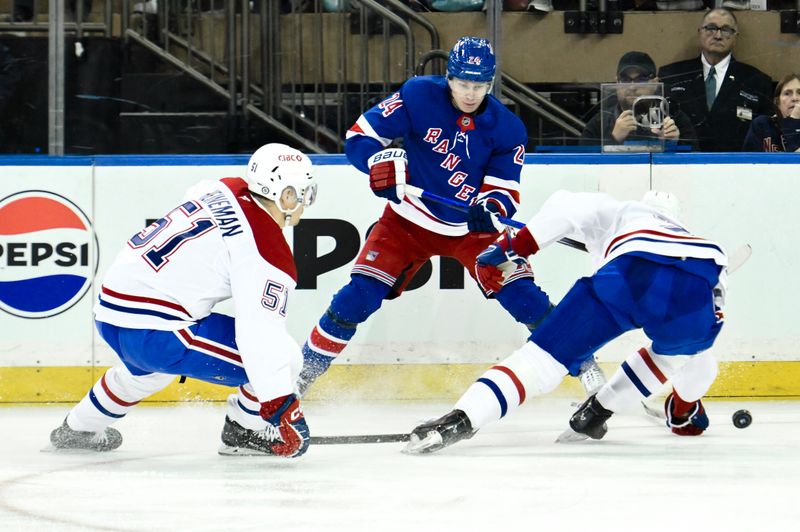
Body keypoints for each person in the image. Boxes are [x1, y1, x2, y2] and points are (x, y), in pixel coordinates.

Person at [297, 36, 606, 397]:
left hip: (471, 233)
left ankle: (585, 364)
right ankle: (301, 375)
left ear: (490, 83)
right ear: (449, 77)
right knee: (357, 297)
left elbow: (504, 191)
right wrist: (376, 164)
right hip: (406, 221)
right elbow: (359, 137)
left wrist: (490, 208)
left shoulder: (507, 128)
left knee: (525, 298)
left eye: (479, 85)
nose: (471, 93)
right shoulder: (417, 96)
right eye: (463, 83)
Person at [405, 189, 728, 453]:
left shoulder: (620, 209)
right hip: (697, 282)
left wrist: (514, 247)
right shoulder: (704, 245)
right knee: (682, 356)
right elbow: (714, 310)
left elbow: (564, 206)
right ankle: (604, 412)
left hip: (627, 273)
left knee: (541, 360)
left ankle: (459, 421)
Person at [49, 143, 318, 458]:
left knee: (146, 372)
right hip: (158, 333)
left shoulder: (220, 187)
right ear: (285, 196)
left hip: (110, 313)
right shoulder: (266, 252)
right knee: (284, 356)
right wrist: (281, 406)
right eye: (304, 194)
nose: (305, 203)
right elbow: (261, 337)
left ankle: (79, 428)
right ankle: (243, 430)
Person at [657, 8, 772, 152]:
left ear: (736, 37)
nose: (718, 35)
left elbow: (766, 135)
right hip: (682, 165)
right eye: (711, 28)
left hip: (737, 168)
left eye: (726, 30)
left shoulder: (757, 81)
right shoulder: (672, 75)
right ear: (700, 32)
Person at [580, 51, 698, 151]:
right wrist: (613, 139)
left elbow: (697, 163)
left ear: (655, 83)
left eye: (641, 79)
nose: (632, 87)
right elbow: (583, 168)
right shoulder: (599, 123)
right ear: (617, 83)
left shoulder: (674, 119)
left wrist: (673, 144)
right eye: (625, 79)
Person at [742, 73, 800, 152]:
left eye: (799, 93)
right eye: (787, 93)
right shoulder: (763, 125)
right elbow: (747, 161)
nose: (795, 98)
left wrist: (793, 123)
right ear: (777, 102)